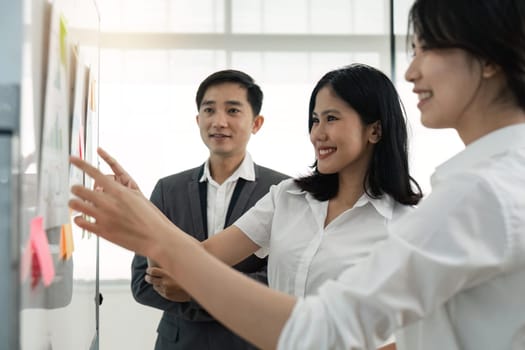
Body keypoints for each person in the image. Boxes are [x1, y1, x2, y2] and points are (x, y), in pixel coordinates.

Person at [69, 0, 525, 348]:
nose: (411, 70)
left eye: (429, 47)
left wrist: (156, 234)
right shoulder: (290, 196)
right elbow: (200, 260)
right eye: (314, 119)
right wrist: (151, 223)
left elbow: (327, 326)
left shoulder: (477, 191)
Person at [130, 69, 289, 350]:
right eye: (209, 110)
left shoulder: (281, 191)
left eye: (232, 110)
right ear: (198, 119)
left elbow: (280, 279)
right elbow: (142, 283)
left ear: (257, 123)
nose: (219, 121)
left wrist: (191, 292)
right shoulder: (168, 189)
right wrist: (219, 297)